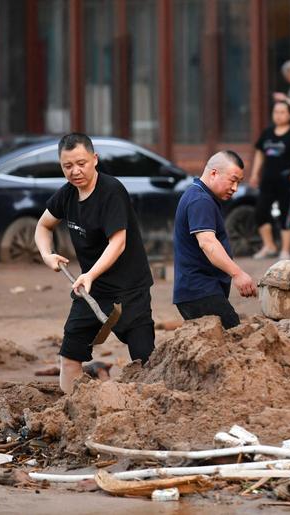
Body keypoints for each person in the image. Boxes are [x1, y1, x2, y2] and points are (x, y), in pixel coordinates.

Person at [34, 133, 155, 394]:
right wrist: (47, 254)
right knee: (69, 356)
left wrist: (90, 274)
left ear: (94, 160)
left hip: (129, 290)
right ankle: (74, 410)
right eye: (68, 166)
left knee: (144, 360)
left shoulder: (111, 191)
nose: (75, 171)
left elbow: (118, 243)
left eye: (81, 163)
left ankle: (150, 411)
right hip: (91, 290)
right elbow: (43, 226)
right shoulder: (66, 195)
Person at [173, 151, 257, 329]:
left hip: (198, 292)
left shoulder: (201, 196)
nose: (235, 188)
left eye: (239, 183)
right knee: (234, 340)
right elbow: (208, 243)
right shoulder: (200, 200)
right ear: (213, 173)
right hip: (200, 292)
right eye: (232, 180)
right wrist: (237, 274)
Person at [249, 101, 290, 260]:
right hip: (267, 180)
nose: (278, 115)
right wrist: (254, 173)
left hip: (287, 181)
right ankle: (269, 245)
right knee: (260, 212)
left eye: (282, 112)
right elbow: (260, 153)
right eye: (275, 112)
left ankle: (285, 250)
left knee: (285, 214)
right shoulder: (267, 133)